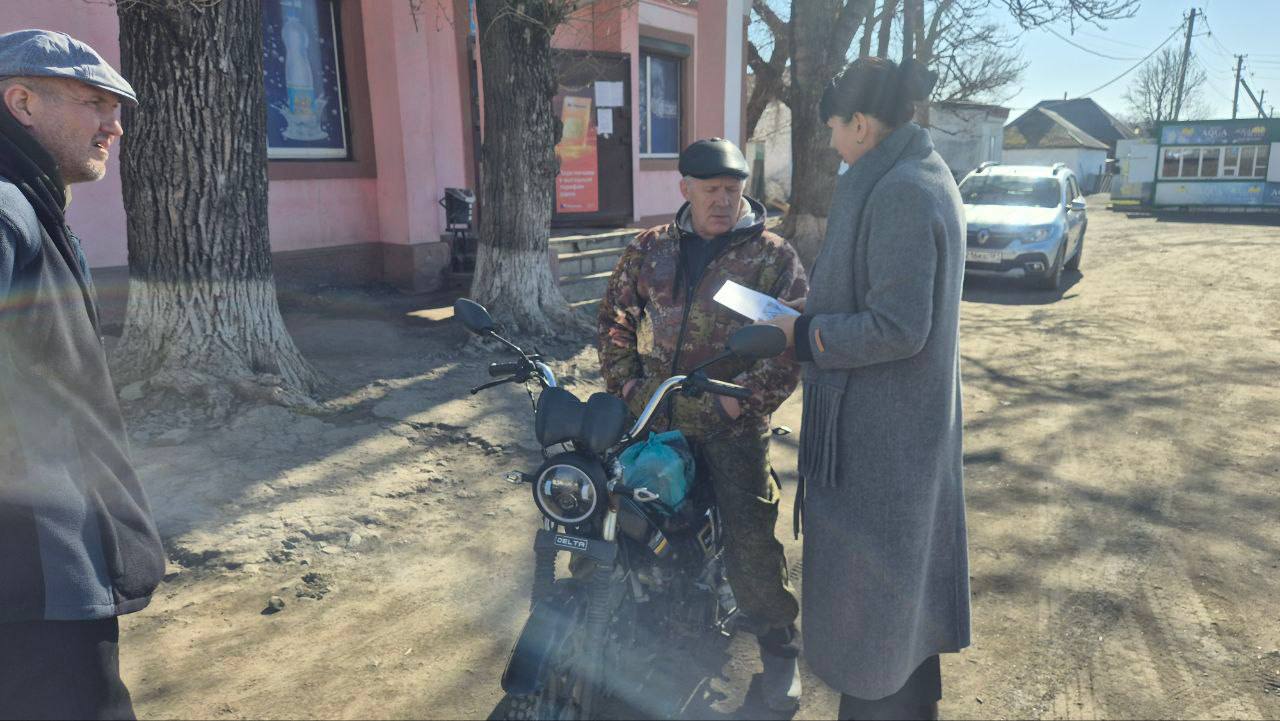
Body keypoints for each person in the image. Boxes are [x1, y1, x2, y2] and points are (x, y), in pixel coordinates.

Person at [761, 57, 971, 720]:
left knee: (877, 619)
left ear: (860, 123)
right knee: (899, 615)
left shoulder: (901, 189)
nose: (830, 142)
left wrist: (806, 334)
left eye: (832, 128)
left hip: (884, 444)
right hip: (899, 432)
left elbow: (899, 326)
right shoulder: (916, 171)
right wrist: (813, 319)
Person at [597, 138, 808, 712]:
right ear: (685, 188)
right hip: (653, 420)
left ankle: (779, 649)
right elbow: (614, 320)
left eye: (732, 190)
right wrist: (627, 386)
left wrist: (743, 402)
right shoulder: (650, 250)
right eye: (710, 189)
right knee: (621, 518)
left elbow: (791, 343)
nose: (722, 201)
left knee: (750, 540)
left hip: (730, 425)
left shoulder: (771, 257)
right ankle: (617, 619)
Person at [0, 30, 165, 720]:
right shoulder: (7, 208)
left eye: (116, 108)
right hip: (38, 573)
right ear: (22, 103)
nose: (114, 126)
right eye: (94, 103)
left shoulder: (30, 203)